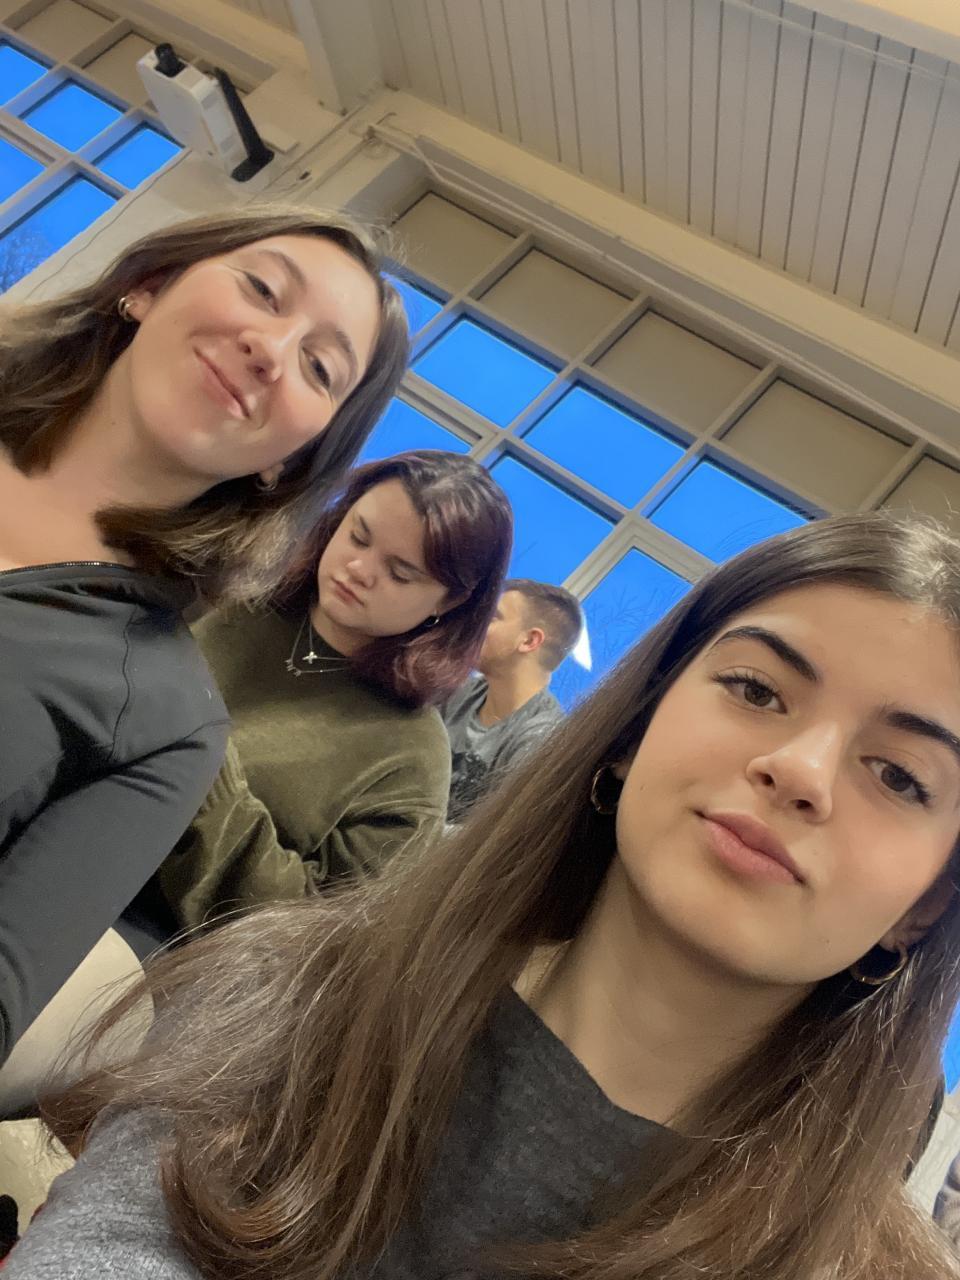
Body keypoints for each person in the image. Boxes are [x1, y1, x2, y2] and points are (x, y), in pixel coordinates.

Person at [7, 511, 960, 1280]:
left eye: (902, 776)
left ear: (927, 903)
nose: (800, 770)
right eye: (756, 690)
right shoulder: (295, 994)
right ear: (633, 733)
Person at [0, 204, 408, 1066]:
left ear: (290, 460)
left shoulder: (166, 717)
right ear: (148, 284)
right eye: (261, 289)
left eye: (320, 367)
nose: (271, 348)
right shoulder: (236, 640)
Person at [127, 450, 513, 944]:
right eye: (358, 536)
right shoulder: (240, 596)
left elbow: (311, 935)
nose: (358, 568)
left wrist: (205, 759)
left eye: (400, 573)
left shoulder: (410, 757)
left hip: (155, 941)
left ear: (451, 601)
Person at [443, 578, 582, 822]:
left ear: (529, 641)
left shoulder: (542, 739)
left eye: (493, 617)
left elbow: (490, 834)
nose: (477, 623)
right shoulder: (460, 692)